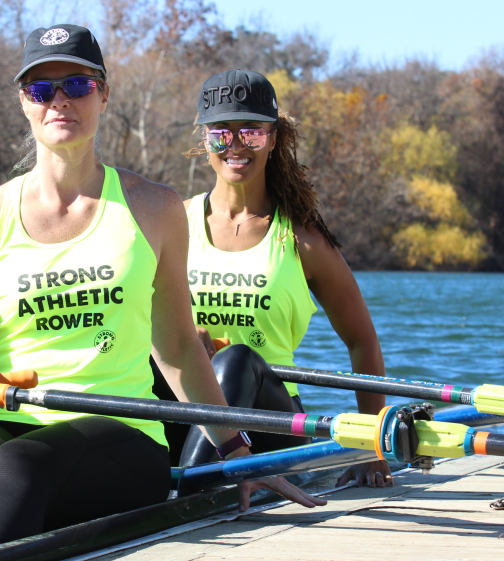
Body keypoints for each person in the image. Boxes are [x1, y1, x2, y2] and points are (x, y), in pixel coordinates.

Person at [0, 31, 325, 561]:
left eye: (77, 84)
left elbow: (176, 346)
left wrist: (237, 451)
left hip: (124, 435)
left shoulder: (153, 209)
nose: (60, 100)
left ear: (103, 94)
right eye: (42, 88)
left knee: (19, 467)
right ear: (23, 101)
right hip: (4, 418)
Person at [157, 68, 391, 489]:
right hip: (187, 403)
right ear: (204, 139)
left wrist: (371, 447)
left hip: (272, 423)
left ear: (274, 139)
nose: (236, 146)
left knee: (237, 361)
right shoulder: (174, 222)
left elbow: (363, 341)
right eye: (221, 134)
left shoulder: (303, 239)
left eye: (252, 132)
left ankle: (188, 496)